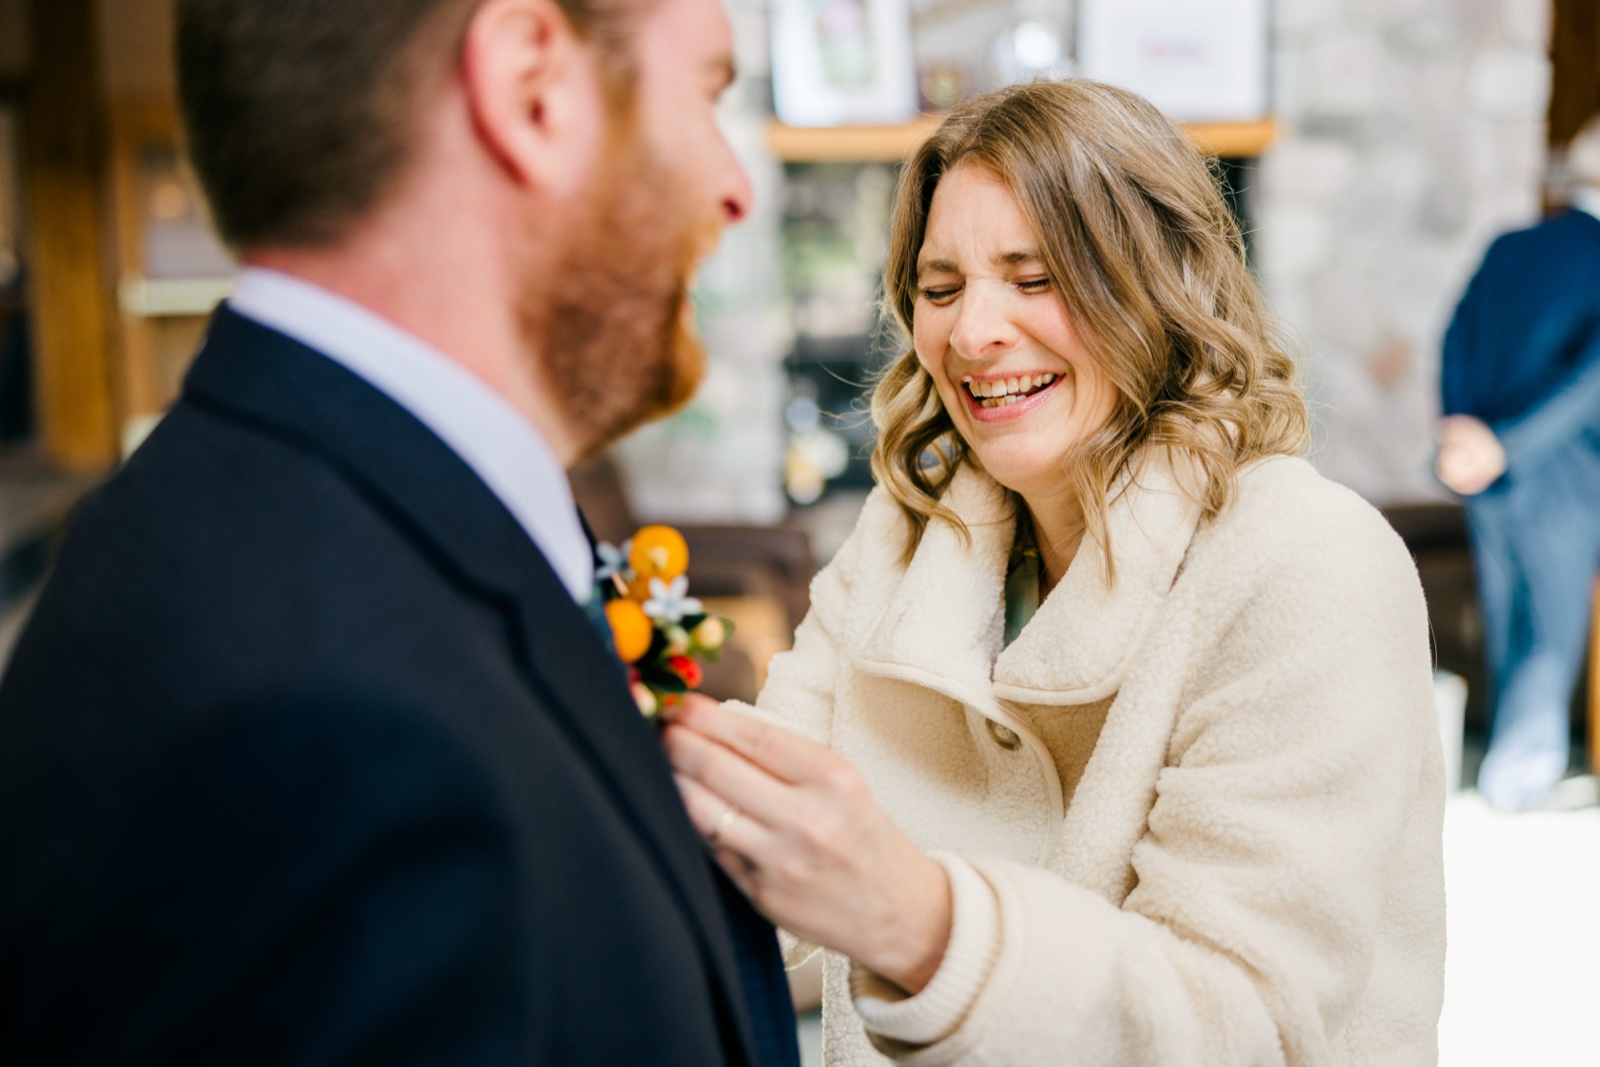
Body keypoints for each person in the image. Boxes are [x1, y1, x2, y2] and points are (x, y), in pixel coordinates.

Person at [0, 0, 800, 1064]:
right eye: (706, 94)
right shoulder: (321, 716)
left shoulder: (276, 514)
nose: (733, 187)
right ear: (531, 89)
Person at [664, 80, 1447, 1066]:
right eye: (939, 287)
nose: (972, 332)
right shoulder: (902, 539)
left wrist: (920, 920)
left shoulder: (1307, 560)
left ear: (1161, 284)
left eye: (1033, 278)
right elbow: (754, 826)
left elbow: (1237, 1019)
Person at [1436, 114, 1600, 813]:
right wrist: (1506, 440)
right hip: (1562, 473)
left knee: (1508, 617)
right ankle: (1517, 780)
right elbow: (1590, 378)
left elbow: (1456, 335)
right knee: (1550, 626)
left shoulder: (1510, 245)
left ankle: (1505, 764)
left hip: (1484, 471)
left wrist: (1461, 430)